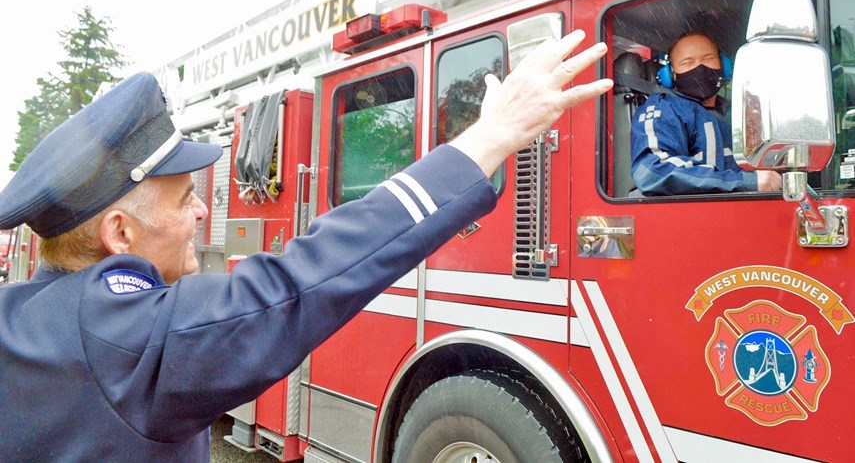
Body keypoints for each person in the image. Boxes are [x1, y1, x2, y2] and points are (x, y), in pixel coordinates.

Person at [0, 30, 612, 461]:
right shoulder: (121, 341)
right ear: (120, 234)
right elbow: (299, 282)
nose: (201, 209)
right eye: (185, 197)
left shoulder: (21, 318)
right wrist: (492, 136)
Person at [630, 32, 782, 195]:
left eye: (708, 59)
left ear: (724, 66)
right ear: (670, 74)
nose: (700, 68)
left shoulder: (741, 111)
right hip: (692, 217)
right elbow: (652, 171)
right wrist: (745, 182)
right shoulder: (662, 108)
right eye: (688, 62)